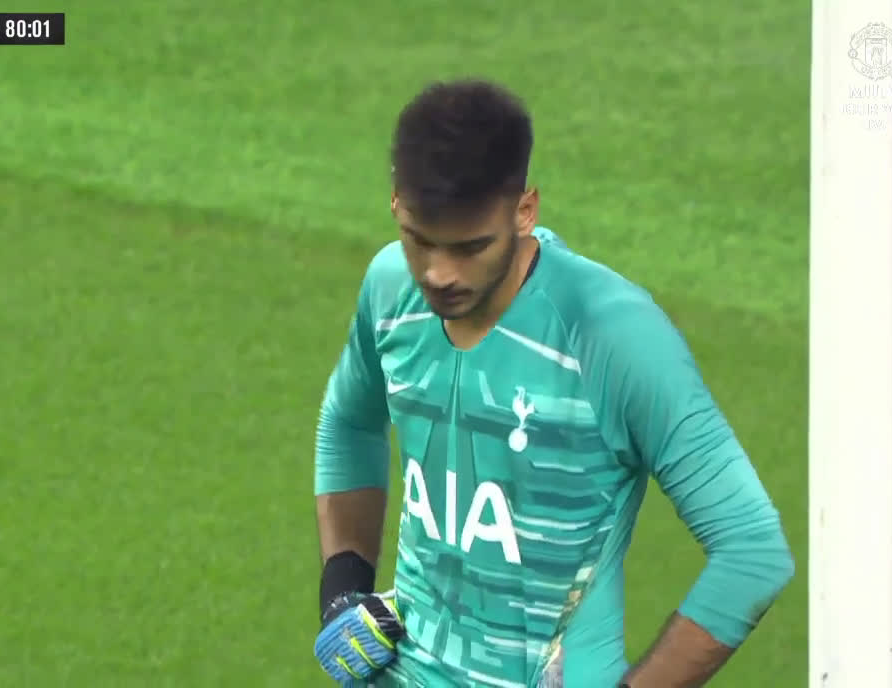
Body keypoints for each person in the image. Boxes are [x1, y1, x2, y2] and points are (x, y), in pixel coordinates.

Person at [311, 78, 795, 687]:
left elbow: (752, 551)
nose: (439, 274)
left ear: (525, 211)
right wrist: (343, 589)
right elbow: (350, 420)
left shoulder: (610, 335)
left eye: (470, 247)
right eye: (419, 240)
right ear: (395, 204)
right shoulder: (390, 287)